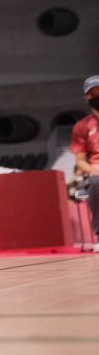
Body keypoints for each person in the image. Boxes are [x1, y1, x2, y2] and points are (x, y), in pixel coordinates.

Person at [71, 74, 99, 248]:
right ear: (86, 97)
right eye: (93, 93)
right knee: (97, 183)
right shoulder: (82, 126)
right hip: (97, 171)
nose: (96, 96)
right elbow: (80, 161)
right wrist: (96, 169)